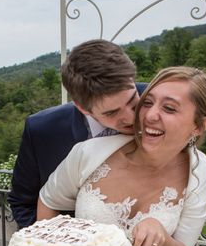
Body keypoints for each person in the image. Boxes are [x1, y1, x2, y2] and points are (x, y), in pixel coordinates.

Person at [38, 67, 206, 246]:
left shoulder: (200, 171)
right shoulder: (89, 154)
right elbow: (48, 200)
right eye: (148, 103)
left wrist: (161, 238)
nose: (150, 115)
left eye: (169, 108)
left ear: (200, 125)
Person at [8, 39, 147, 230]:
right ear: (83, 108)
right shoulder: (42, 130)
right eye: (111, 113)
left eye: (133, 100)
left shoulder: (160, 104)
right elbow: (23, 202)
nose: (131, 118)